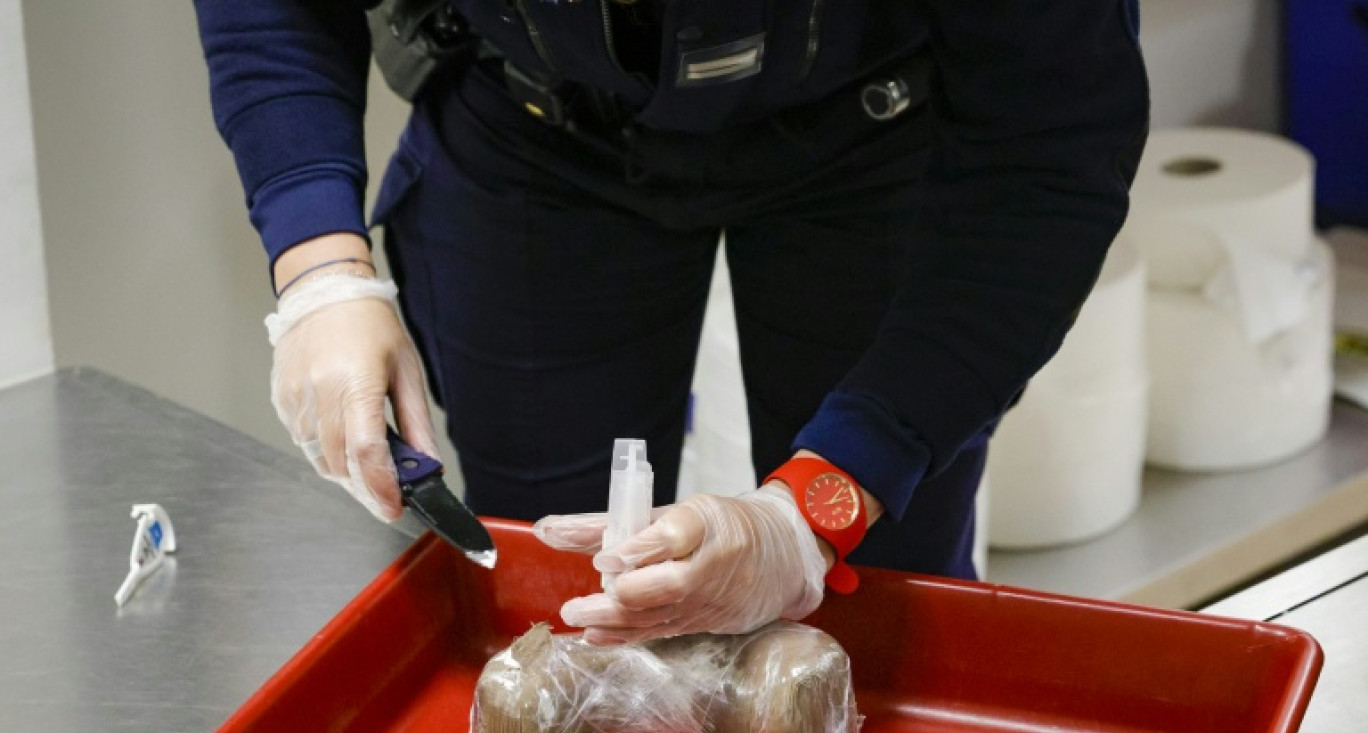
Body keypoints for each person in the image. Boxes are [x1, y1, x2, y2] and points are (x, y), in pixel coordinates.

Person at [194, 0, 1148, 643]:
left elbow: (1048, 152)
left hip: (876, 128)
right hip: (529, 124)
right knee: (549, 605)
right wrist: (318, 260)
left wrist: (825, 499)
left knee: (876, 615)